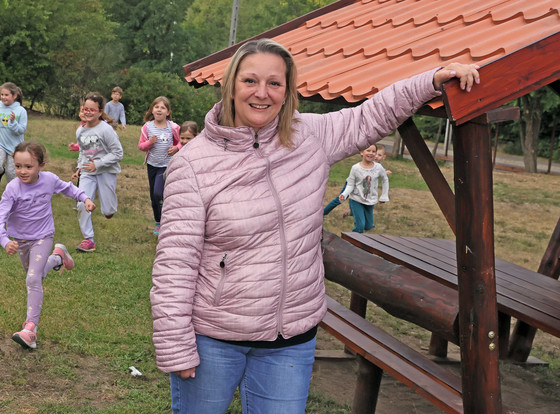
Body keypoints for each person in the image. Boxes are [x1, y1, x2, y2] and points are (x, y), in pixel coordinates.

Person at [149, 38, 479, 413]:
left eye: (275, 83)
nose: (262, 93)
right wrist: (176, 345)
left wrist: (431, 80)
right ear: (230, 85)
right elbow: (175, 264)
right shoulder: (193, 164)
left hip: (290, 339)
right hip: (214, 338)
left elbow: (373, 114)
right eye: (250, 81)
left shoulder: (311, 136)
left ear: (288, 91)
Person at [0, 142, 96, 349]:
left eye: (28, 167)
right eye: (18, 166)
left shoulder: (49, 180)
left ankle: (30, 329)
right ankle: (58, 257)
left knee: (32, 278)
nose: (22, 171)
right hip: (21, 240)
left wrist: (85, 198)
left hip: (43, 236)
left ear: (41, 165)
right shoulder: (12, 188)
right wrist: (4, 241)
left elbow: (69, 189)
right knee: (35, 275)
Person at [72, 92, 124, 252]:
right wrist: (79, 168)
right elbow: (83, 151)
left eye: (92, 110)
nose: (88, 112)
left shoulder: (106, 130)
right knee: (82, 203)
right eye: (85, 109)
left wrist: (99, 164)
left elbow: (118, 153)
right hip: (88, 171)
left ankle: (109, 211)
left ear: (100, 112)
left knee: (107, 210)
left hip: (106, 171)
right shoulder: (80, 131)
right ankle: (88, 239)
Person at [138, 96, 181, 236]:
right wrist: (149, 143)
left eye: (163, 108)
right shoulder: (147, 127)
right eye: (156, 107)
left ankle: (166, 220)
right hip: (152, 165)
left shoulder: (173, 127)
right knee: (154, 196)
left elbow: (182, 141)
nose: (159, 110)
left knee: (158, 192)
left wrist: (177, 148)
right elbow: (141, 147)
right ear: (152, 110)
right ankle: (158, 222)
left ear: (167, 112)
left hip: (166, 165)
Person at [338, 144, 389, 233]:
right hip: (356, 200)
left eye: (373, 151)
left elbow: (385, 180)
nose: (371, 153)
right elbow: (350, 185)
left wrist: (384, 196)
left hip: (370, 201)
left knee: (368, 226)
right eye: (368, 151)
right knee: (360, 226)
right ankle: (352, 242)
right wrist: (344, 194)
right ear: (362, 152)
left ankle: (352, 213)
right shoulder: (355, 168)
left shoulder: (378, 168)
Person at [0, 82, 28, 187]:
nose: (3, 97)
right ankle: (1, 172)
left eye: (6, 95)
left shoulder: (21, 111)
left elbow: (21, 130)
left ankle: (12, 194)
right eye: (2, 95)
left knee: (11, 173)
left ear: (14, 96)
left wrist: (13, 123)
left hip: (15, 147)